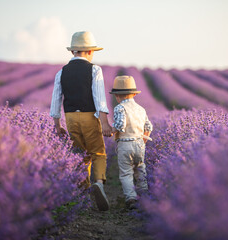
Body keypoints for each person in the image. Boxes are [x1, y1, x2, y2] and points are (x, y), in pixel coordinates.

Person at [50, 31, 112, 211]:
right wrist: (105, 123)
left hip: (70, 118)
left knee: (79, 154)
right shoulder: (94, 69)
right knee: (98, 152)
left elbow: (56, 99)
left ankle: (84, 191)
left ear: (73, 52)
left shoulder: (61, 72)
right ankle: (98, 183)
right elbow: (99, 98)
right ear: (90, 52)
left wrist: (57, 125)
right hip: (89, 116)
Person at [110, 75, 153, 210]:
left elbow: (120, 126)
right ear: (134, 94)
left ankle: (131, 198)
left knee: (126, 173)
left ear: (117, 96)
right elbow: (149, 127)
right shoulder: (141, 109)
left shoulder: (119, 108)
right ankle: (144, 195)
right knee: (140, 169)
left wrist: (109, 131)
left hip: (125, 144)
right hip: (140, 143)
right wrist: (143, 140)